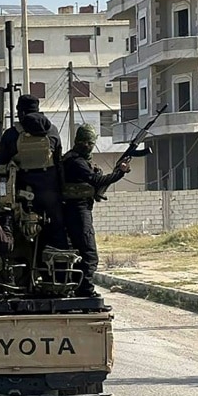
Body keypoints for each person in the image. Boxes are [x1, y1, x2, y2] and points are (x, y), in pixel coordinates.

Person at [61, 124, 129, 298]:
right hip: (78, 211)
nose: (90, 146)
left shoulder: (72, 159)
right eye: (90, 143)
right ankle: (85, 291)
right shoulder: (76, 162)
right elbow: (96, 180)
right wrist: (119, 173)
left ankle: (78, 289)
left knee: (80, 254)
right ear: (85, 142)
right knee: (90, 255)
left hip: (75, 210)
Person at [0, 94, 67, 248]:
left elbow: (0, 168)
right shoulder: (52, 130)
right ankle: (61, 264)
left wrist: (2, 194)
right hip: (50, 191)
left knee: (7, 223)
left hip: (21, 193)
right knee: (57, 229)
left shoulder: (11, 134)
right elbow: (59, 161)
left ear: (20, 112)